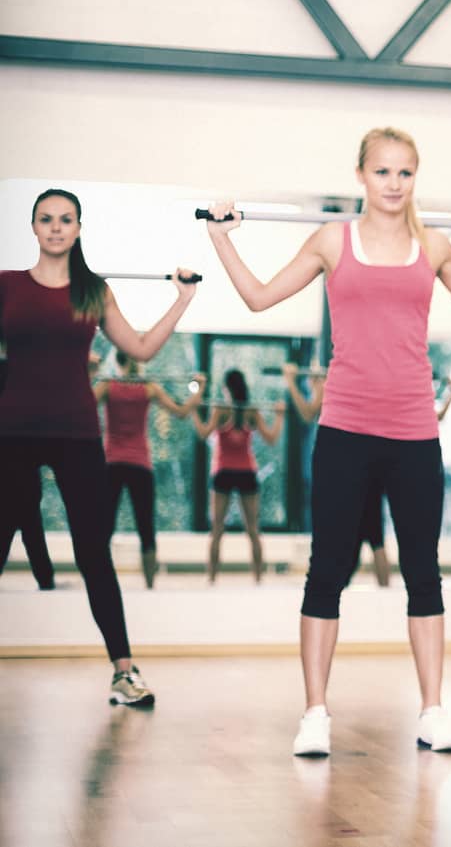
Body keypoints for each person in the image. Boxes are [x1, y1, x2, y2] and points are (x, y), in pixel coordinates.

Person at [206, 126, 451, 756]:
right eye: (384, 172)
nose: (394, 184)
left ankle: (433, 710)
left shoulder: (435, 245)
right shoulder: (332, 242)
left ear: (415, 179)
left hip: (415, 431)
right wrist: (220, 239)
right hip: (344, 428)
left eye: (406, 173)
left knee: (425, 574)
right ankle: (315, 713)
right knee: (326, 574)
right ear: (361, 176)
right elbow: (258, 299)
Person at [0, 188, 197, 705]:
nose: (56, 228)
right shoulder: (7, 286)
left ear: (79, 228)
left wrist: (181, 300)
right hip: (12, 433)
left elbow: (140, 348)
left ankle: (124, 672)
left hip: (76, 433)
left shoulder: (93, 292)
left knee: (94, 553)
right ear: (34, 227)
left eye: (66, 220)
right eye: (47, 219)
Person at [283, 362, 451, 588]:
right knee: (364, 536)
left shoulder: (347, 389)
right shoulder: (347, 389)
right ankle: (352, 586)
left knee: (367, 535)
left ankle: (364, 587)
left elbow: (308, 413)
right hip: (364, 468)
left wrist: (291, 382)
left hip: (364, 469)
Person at [94, 351, 206, 588]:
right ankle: (149, 585)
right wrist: (199, 389)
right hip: (138, 465)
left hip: (112, 464)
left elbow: (83, 405)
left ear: (117, 361)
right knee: (145, 527)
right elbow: (182, 412)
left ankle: (99, 581)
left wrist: (89, 373)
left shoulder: (107, 386)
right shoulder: (148, 388)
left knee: (104, 527)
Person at [191, 370, 283, 584]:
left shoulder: (222, 409)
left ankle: (212, 579)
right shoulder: (250, 411)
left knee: (217, 529)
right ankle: (257, 580)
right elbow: (271, 438)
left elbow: (203, 434)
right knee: (252, 529)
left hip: (225, 472)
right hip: (245, 473)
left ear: (226, 388)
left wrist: (194, 410)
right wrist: (279, 417)